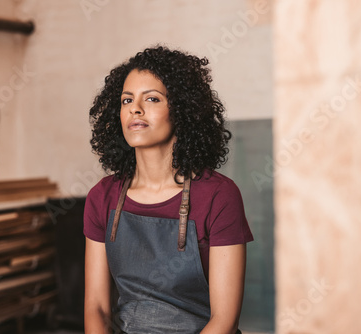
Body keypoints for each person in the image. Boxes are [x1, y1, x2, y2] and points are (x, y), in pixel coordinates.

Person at [83, 46, 254, 334]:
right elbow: (96, 308)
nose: (135, 108)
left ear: (182, 110)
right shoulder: (102, 196)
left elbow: (224, 320)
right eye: (127, 100)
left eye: (152, 98)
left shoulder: (219, 196)